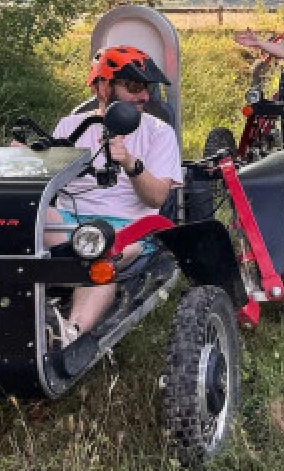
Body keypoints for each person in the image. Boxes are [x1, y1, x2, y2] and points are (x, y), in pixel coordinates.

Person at [44, 45, 184, 348]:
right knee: (21, 221)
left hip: (126, 227)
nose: (144, 96)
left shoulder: (159, 132)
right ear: (103, 87)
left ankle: (69, 334)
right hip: (68, 222)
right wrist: (25, 161)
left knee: (98, 261)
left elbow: (157, 198)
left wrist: (130, 164)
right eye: (133, 87)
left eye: (147, 88)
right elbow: (48, 186)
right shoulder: (70, 126)